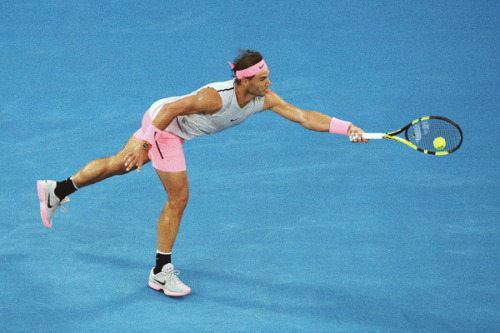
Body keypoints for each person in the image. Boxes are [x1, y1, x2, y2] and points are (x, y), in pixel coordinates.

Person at [37, 50, 368, 297]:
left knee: (116, 166)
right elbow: (170, 111)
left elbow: (304, 115)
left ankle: (58, 190)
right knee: (178, 197)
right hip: (164, 126)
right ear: (244, 80)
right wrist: (146, 146)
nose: (269, 83)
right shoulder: (215, 98)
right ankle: (160, 270)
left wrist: (346, 127)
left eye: (268, 76)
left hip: (163, 118)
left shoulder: (263, 99)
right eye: (263, 78)